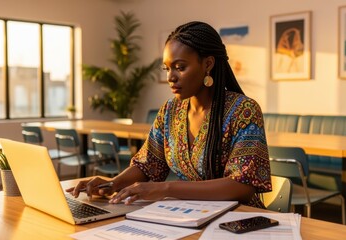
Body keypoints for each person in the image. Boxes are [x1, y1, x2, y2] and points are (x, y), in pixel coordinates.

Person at [67, 21, 271, 208]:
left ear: (208, 64)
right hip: (187, 214)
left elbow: (242, 187)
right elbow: (147, 164)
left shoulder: (244, 111)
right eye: (167, 68)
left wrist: (165, 188)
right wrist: (112, 183)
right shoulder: (170, 111)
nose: (170, 77)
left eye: (180, 67)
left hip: (237, 219)